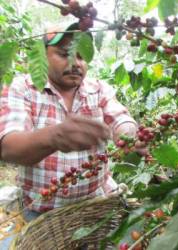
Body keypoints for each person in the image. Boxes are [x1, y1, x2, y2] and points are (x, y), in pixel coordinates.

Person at [0, 22, 139, 248]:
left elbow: (120, 117)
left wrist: (129, 134)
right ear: (42, 56)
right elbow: (8, 147)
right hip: (43, 215)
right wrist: (53, 137)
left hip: (98, 205)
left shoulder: (97, 89)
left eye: (82, 57)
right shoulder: (23, 89)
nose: (75, 63)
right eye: (64, 54)